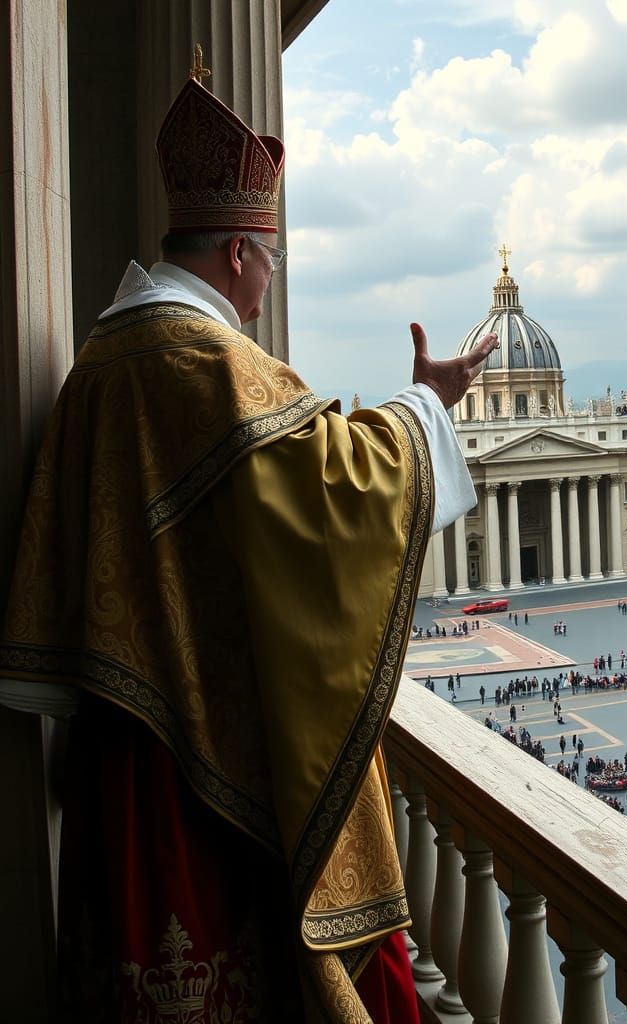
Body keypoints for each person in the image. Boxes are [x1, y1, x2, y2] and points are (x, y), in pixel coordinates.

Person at [0, 50, 498, 1023]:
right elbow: (335, 492)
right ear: (239, 252)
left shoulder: (105, 355)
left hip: (120, 747)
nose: (268, 286)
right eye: (270, 262)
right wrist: (427, 406)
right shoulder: (206, 360)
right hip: (201, 765)